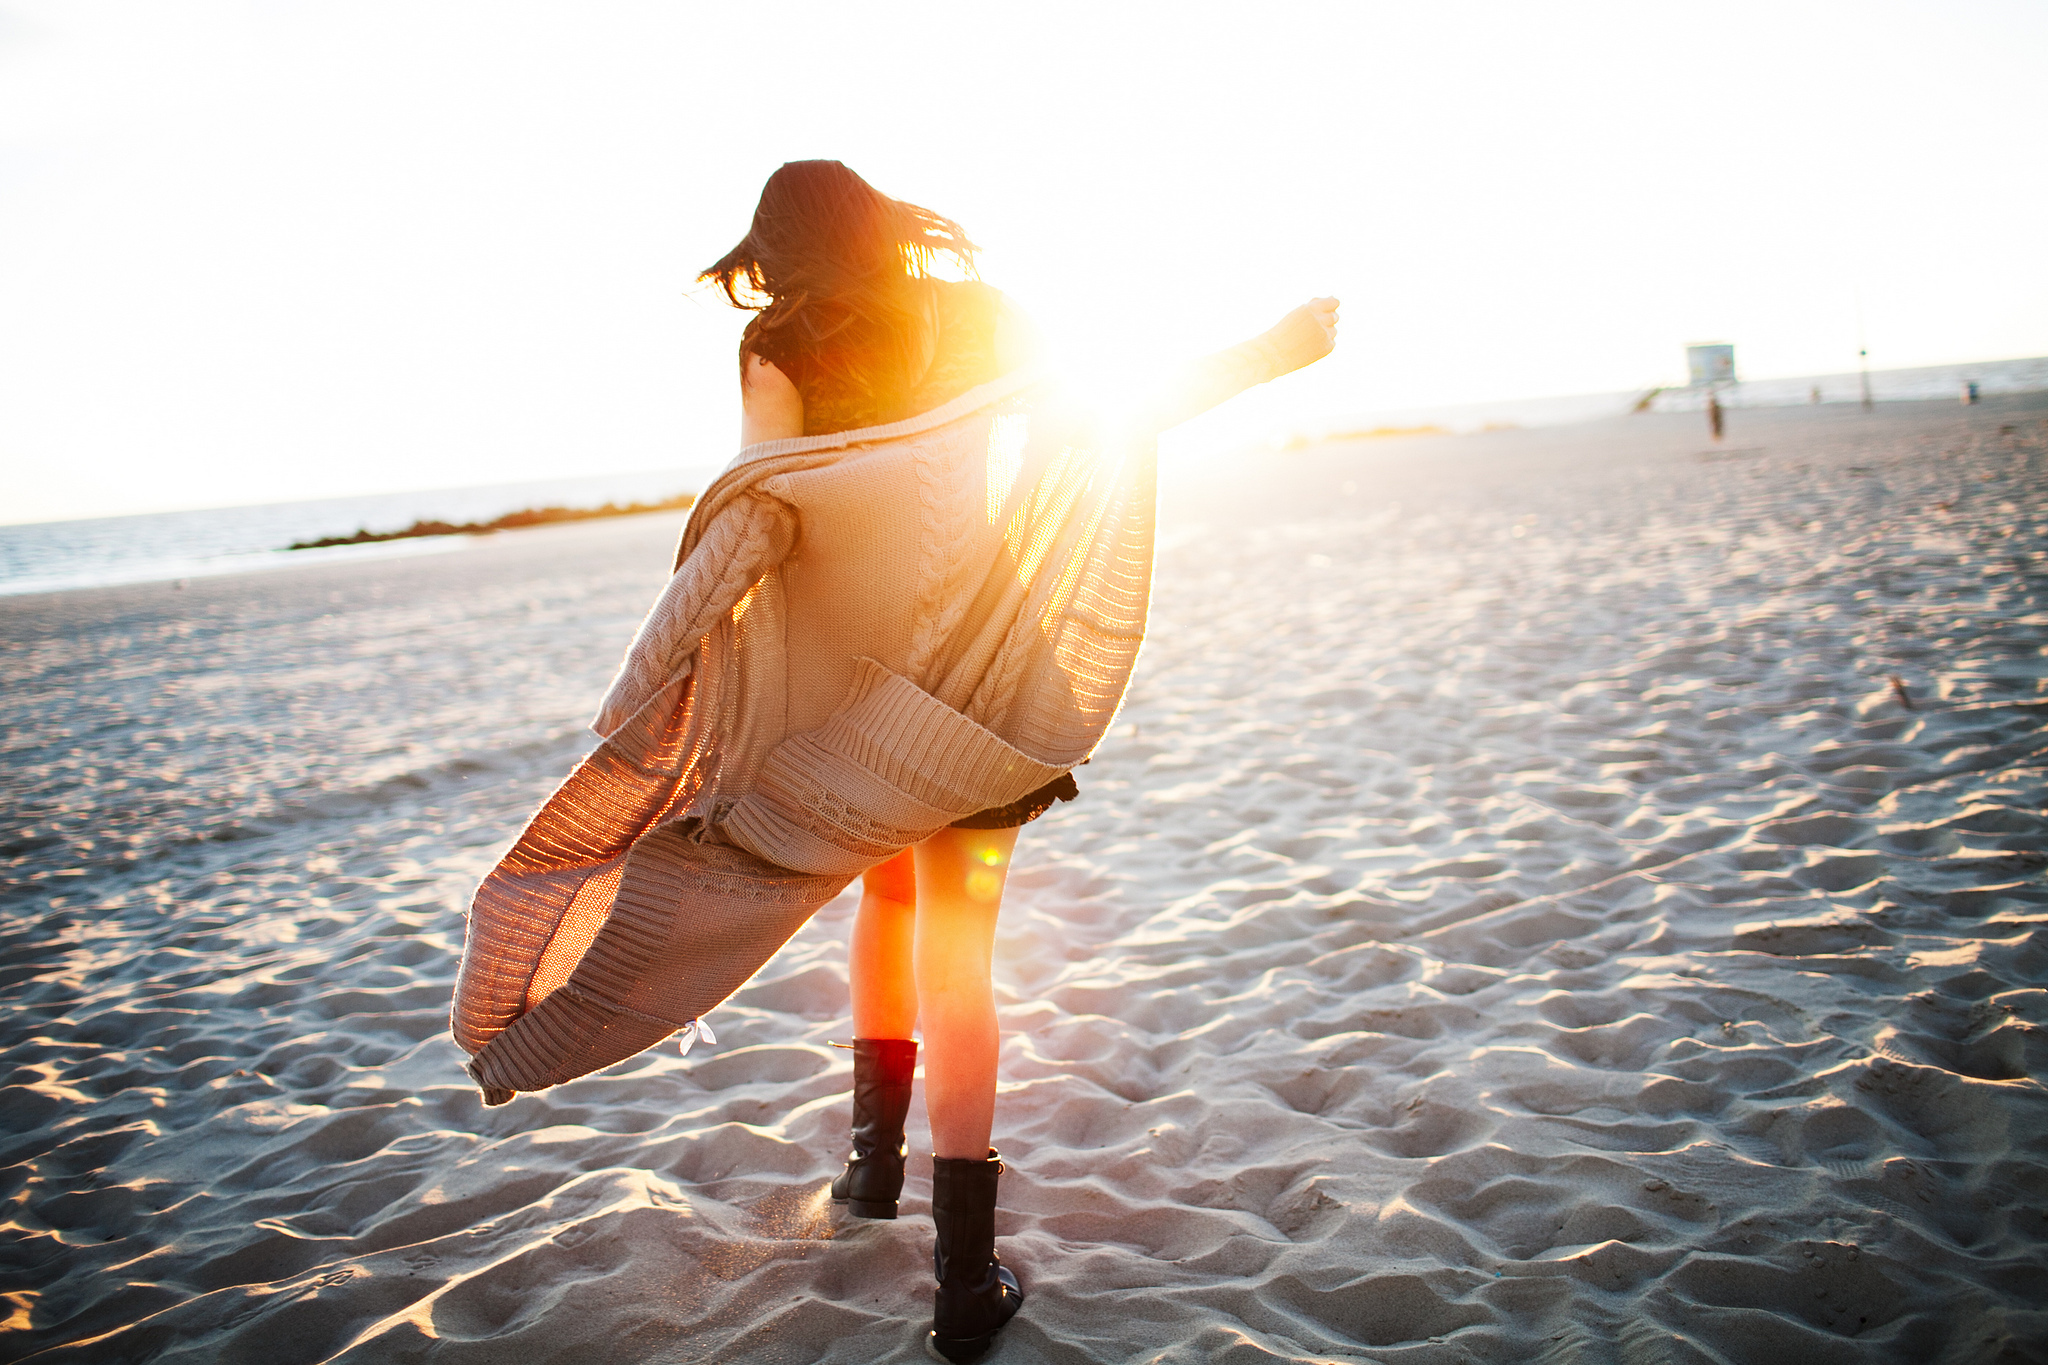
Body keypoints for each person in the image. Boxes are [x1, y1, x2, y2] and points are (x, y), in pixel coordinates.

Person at [452, 160, 1336, 1364]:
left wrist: (668, 656)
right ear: (883, 228)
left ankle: (873, 1173)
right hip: (973, 685)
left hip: (848, 707)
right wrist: (1271, 352)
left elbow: (767, 501)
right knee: (960, 960)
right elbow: (1109, 407)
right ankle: (963, 1281)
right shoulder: (970, 318)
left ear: (775, 248)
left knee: (883, 899)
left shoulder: (777, 349)